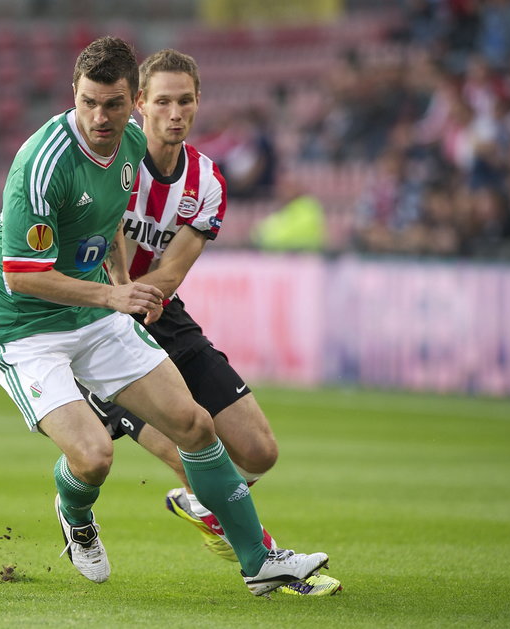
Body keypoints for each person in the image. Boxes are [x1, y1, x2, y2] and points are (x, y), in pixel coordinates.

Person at [0, 36, 331, 596]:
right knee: (94, 458)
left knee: (195, 425)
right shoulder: (42, 164)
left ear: (130, 102)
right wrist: (116, 294)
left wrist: (119, 279)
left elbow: (111, 219)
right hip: (25, 330)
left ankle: (259, 562)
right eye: (89, 102)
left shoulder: (134, 145)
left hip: (96, 315)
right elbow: (23, 275)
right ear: (75, 94)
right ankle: (76, 511)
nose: (100, 117)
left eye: (113, 105)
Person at [76, 48, 342, 597]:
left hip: (159, 311)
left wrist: (145, 298)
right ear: (140, 105)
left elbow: (174, 268)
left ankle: (207, 503)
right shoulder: (108, 159)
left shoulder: (206, 179)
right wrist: (116, 297)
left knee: (260, 450)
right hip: (97, 320)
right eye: (163, 101)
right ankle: (262, 556)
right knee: (189, 447)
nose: (175, 112)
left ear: (198, 104)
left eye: (185, 101)